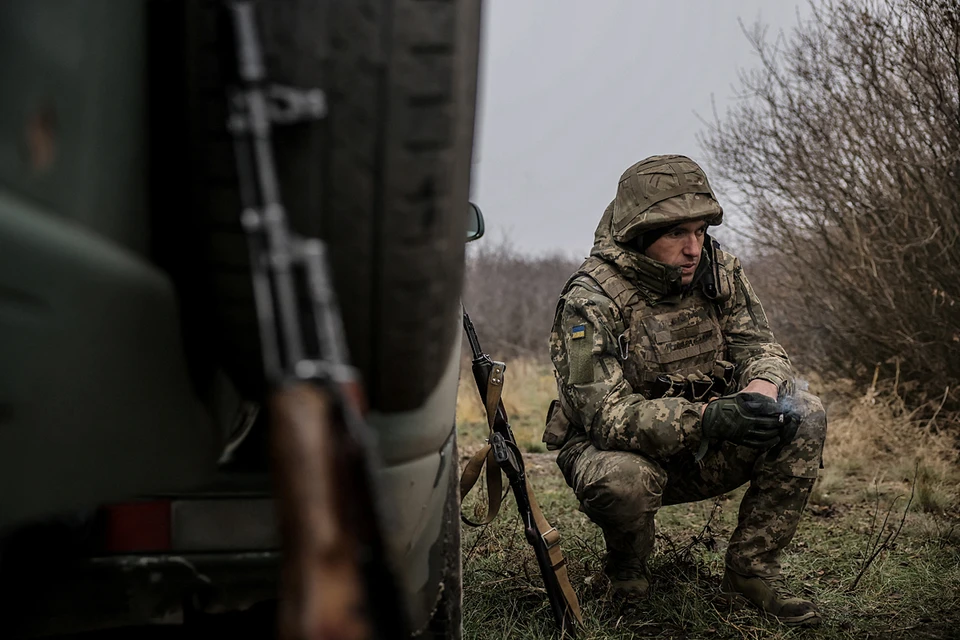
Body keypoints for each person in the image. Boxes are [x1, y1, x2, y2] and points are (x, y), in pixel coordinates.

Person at [542, 155, 826, 627]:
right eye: (677, 234)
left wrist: (761, 388)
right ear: (639, 234)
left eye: (699, 231)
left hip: (704, 445)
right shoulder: (589, 300)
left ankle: (750, 574)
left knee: (806, 413)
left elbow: (760, 345)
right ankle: (627, 579)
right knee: (624, 479)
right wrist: (708, 418)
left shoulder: (720, 271)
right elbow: (606, 417)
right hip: (616, 454)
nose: (693, 248)